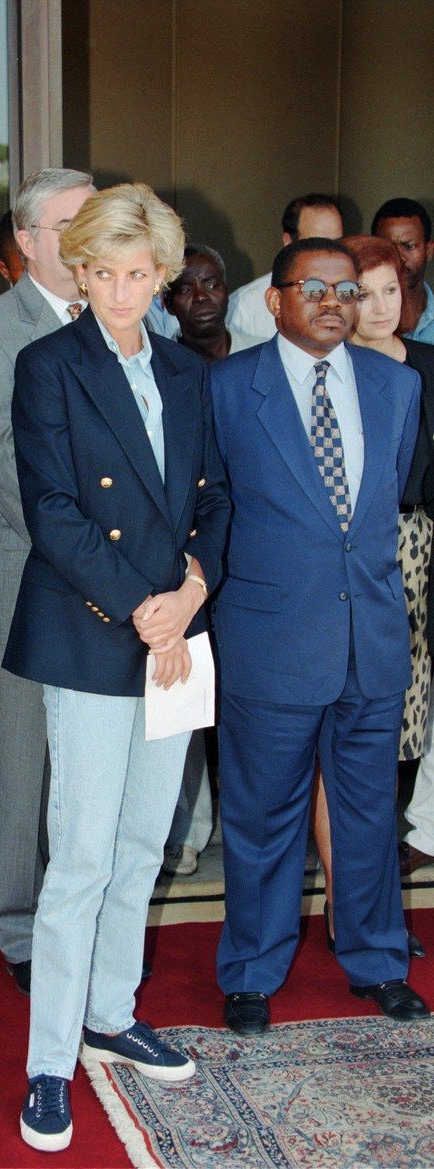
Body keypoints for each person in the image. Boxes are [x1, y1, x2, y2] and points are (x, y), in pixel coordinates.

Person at [2, 181, 229, 1152]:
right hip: (92, 633)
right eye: (104, 273)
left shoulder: (188, 374)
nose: (123, 292)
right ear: (79, 270)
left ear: (161, 275)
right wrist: (140, 605)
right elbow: (49, 507)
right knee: (81, 856)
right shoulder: (45, 364)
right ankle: (47, 1060)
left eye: (140, 275)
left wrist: (188, 590)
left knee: (143, 840)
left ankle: (108, 1008)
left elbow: (216, 499)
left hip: (176, 635)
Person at [210, 236, 429, 1038]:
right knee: (263, 815)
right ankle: (251, 971)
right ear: (276, 300)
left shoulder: (396, 385)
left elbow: (379, 506)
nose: (336, 301)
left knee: (370, 816)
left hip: (369, 639)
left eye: (348, 288)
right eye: (315, 286)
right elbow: (216, 505)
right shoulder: (230, 387)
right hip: (269, 639)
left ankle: (376, 960)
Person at [0, 168, 95, 995]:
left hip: (119, 584)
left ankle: (87, 917)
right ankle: (18, 927)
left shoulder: (129, 321)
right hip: (33, 573)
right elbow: (7, 473)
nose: (89, 237)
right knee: (26, 754)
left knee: (95, 763)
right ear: (30, 238)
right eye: (73, 223)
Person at [312, 234, 434, 956]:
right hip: (342, 562)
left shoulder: (425, 368)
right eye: (367, 291)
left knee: (392, 742)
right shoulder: (327, 374)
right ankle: (340, 898)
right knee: (340, 739)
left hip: (416, 558)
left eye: (393, 290)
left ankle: (373, 902)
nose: (381, 307)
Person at [159, 245, 257, 877]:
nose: (202, 296)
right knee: (186, 692)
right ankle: (186, 830)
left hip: (253, 550)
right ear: (168, 301)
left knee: (248, 694)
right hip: (185, 553)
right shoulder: (159, 365)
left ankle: (253, 825)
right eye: (187, 288)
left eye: (212, 284)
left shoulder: (259, 354)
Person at [226, 194, 344, 343]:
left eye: (337, 243)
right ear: (288, 242)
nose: (329, 254)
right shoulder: (246, 307)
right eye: (316, 244)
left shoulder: (352, 295)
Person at [372, 198, 434, 345]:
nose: (399, 258)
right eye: (388, 247)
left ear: (429, 250)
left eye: (409, 246)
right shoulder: (359, 319)